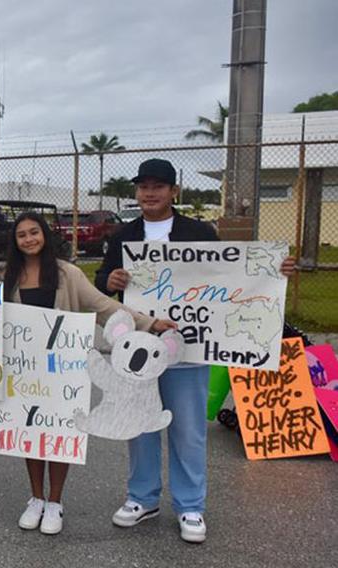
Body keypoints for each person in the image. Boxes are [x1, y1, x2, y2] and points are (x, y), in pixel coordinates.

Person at [95, 158, 296, 544]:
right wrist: (111, 278)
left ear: (174, 192)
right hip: (139, 351)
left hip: (189, 347)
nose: (149, 193)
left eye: (158, 186)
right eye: (143, 186)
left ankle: (190, 505)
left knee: (187, 430)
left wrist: (274, 271)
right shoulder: (124, 235)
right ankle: (142, 497)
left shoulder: (198, 231)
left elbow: (230, 275)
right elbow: (104, 279)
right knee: (140, 426)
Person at [3, 211, 176, 535]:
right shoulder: (10, 277)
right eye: (22, 235)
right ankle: (35, 498)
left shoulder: (67, 274)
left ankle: (55, 502)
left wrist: (149, 323)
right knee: (30, 435)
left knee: (58, 434)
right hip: (26, 370)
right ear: (15, 241)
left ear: (45, 235)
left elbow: (104, 307)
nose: (29, 239)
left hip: (63, 369)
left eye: (34, 232)